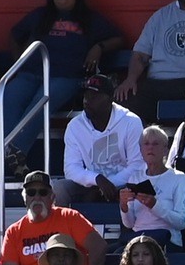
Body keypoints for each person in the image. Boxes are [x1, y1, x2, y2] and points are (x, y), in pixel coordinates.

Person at [6, 0, 126, 157]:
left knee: (41, 101)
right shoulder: (40, 16)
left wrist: (98, 47)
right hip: (30, 74)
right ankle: (11, 153)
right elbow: (15, 35)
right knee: (9, 95)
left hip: (66, 77)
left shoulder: (89, 18)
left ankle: (12, 151)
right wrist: (18, 63)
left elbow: (118, 38)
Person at [0, 171, 105, 265]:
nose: (37, 197)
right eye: (31, 192)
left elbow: (99, 247)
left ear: (52, 197)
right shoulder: (13, 232)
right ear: (25, 198)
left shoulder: (69, 217)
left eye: (43, 192)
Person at [59, 74, 143, 206]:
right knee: (58, 188)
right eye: (86, 95)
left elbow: (138, 166)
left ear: (110, 99)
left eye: (94, 96)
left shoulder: (131, 122)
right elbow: (71, 169)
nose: (87, 100)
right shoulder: (75, 126)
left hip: (125, 185)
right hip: (92, 185)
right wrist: (96, 180)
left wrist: (110, 184)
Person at [118, 125, 185, 244]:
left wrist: (155, 206)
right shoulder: (135, 177)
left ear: (165, 150)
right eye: (146, 144)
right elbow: (129, 223)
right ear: (141, 150)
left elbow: (181, 222)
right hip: (138, 239)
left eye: (155, 144)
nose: (150, 148)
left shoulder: (178, 178)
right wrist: (123, 206)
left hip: (166, 240)